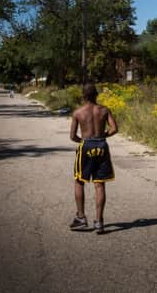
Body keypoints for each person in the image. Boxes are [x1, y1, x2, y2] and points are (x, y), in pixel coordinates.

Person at [69, 83, 118, 234]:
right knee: (99, 184)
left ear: (83, 96)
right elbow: (114, 128)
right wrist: (103, 136)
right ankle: (99, 222)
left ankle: (81, 217)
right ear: (96, 95)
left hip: (86, 146)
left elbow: (72, 136)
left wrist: (83, 142)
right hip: (101, 146)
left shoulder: (78, 112)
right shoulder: (104, 110)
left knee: (79, 181)